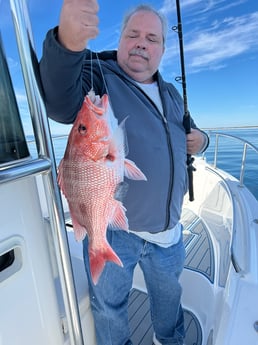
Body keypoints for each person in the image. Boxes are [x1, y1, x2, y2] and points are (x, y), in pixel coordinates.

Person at [39, 1, 209, 344]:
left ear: (162, 49)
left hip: (167, 230)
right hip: (117, 229)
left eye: (151, 38)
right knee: (109, 307)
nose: (141, 43)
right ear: (121, 38)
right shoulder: (98, 75)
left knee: (169, 301)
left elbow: (188, 132)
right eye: (133, 34)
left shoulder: (171, 93)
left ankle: (170, 340)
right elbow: (59, 100)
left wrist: (202, 140)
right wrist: (67, 44)